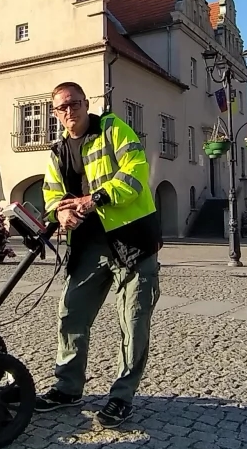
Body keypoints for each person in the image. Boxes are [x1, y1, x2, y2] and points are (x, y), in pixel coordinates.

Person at [34, 81, 162, 428]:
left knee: (133, 323)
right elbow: (51, 196)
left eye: (75, 103)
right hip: (89, 248)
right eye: (62, 106)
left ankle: (122, 397)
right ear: (55, 113)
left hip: (133, 243)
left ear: (86, 103)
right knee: (71, 313)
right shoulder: (58, 151)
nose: (69, 110)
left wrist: (94, 199)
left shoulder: (112, 129)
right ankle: (67, 388)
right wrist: (60, 213)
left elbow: (135, 172)